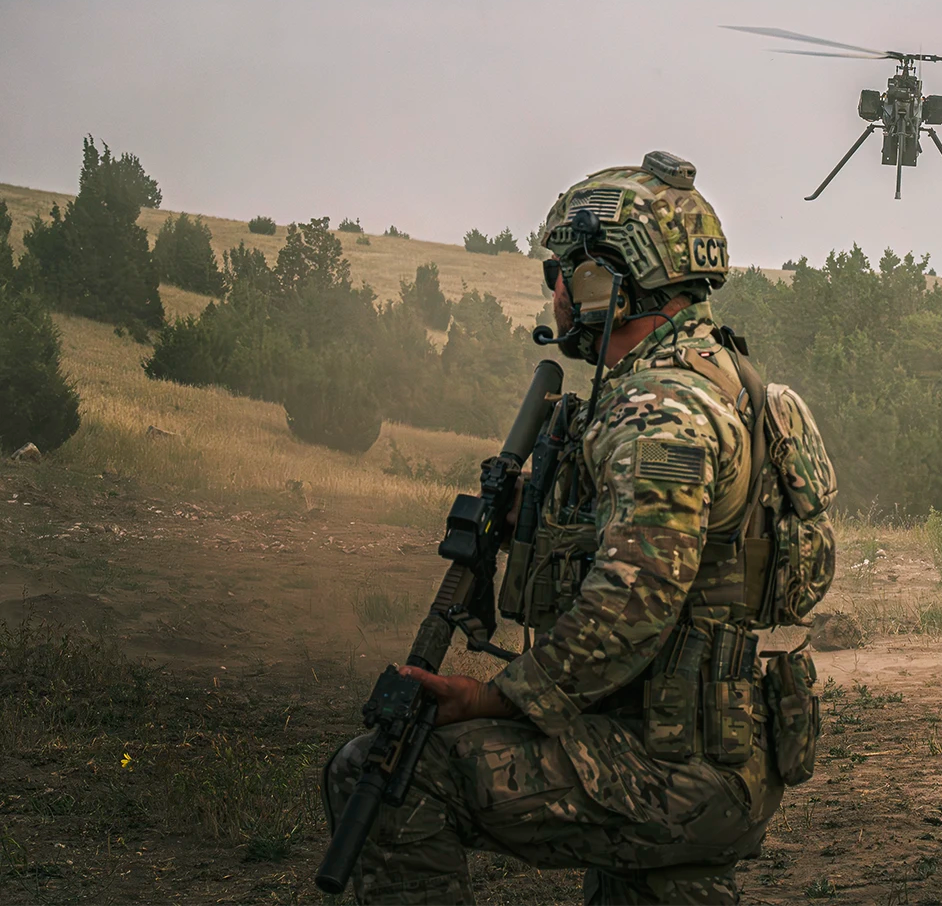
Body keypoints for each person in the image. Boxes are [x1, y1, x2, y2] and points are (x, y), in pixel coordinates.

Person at [325, 153, 838, 905]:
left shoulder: (658, 410)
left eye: (561, 272)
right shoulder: (738, 385)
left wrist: (498, 699)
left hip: (671, 769)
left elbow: (636, 601)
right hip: (716, 748)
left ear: (605, 281)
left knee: (390, 774)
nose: (556, 292)